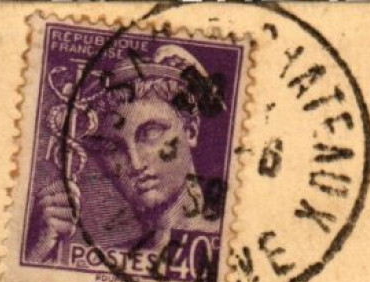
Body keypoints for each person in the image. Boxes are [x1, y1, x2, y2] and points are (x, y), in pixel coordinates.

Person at [29, 43, 224, 264]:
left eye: (150, 133)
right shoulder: (110, 261)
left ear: (191, 130)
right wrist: (39, 249)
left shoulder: (232, 241)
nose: (135, 162)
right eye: (113, 148)